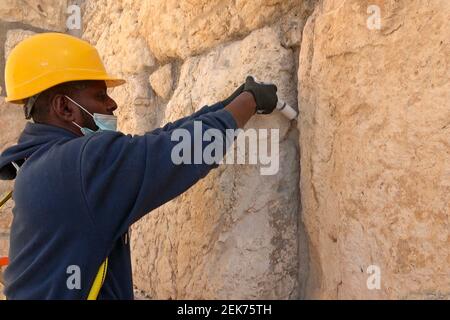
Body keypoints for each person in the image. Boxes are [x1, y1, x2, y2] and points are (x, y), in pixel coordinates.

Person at [0, 33, 278, 299]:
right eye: (99, 96)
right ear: (64, 107)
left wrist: (224, 106)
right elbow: (177, 152)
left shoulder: (43, 161)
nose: (113, 104)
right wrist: (249, 102)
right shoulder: (80, 164)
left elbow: (155, 143)